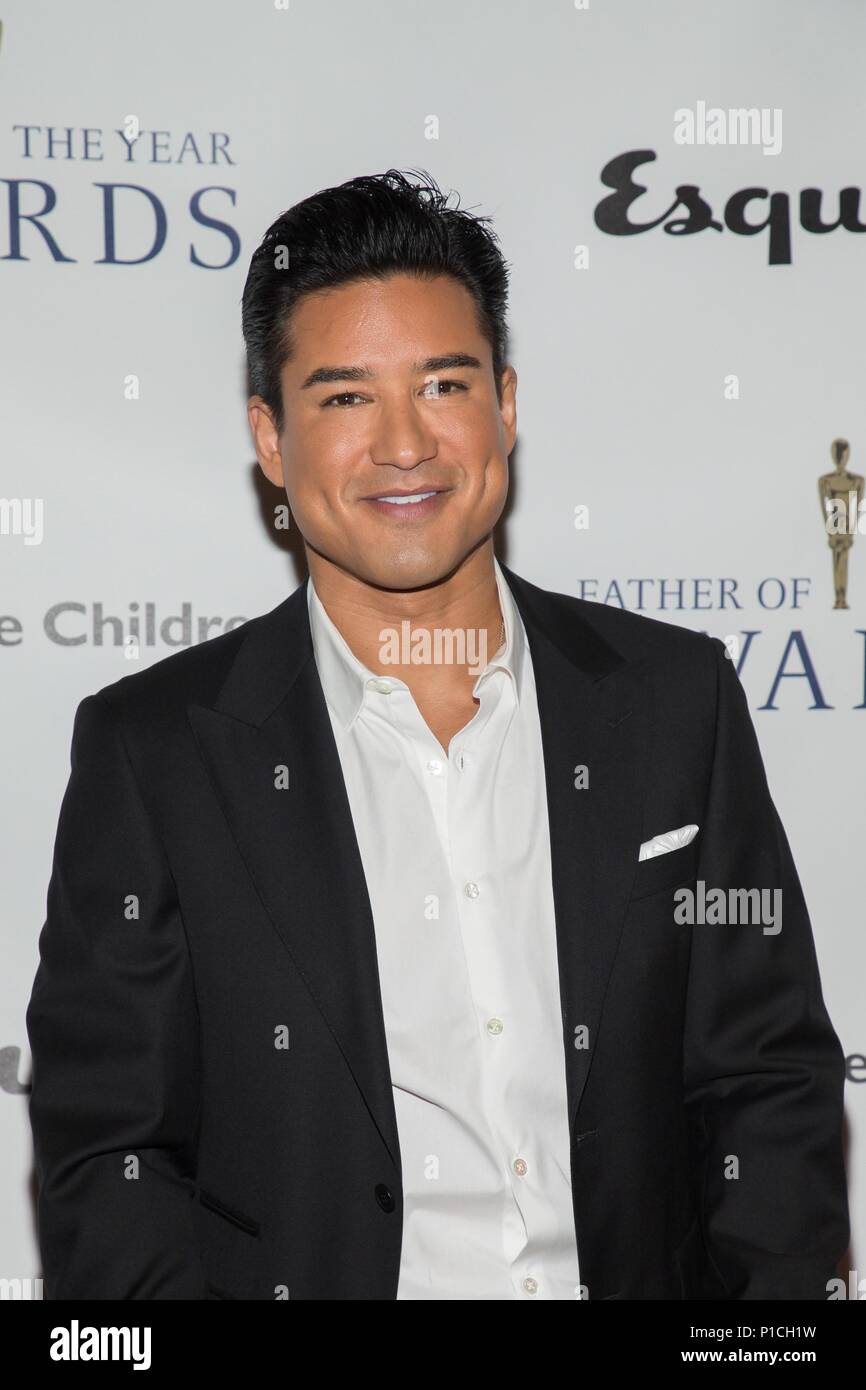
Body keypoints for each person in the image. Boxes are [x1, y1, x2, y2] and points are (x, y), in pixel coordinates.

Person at [26, 169, 849, 1300]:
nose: (403, 445)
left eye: (443, 384)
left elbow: (765, 1082)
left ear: (504, 405)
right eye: (343, 398)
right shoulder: (156, 752)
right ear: (270, 438)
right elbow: (112, 1158)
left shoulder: (673, 703)